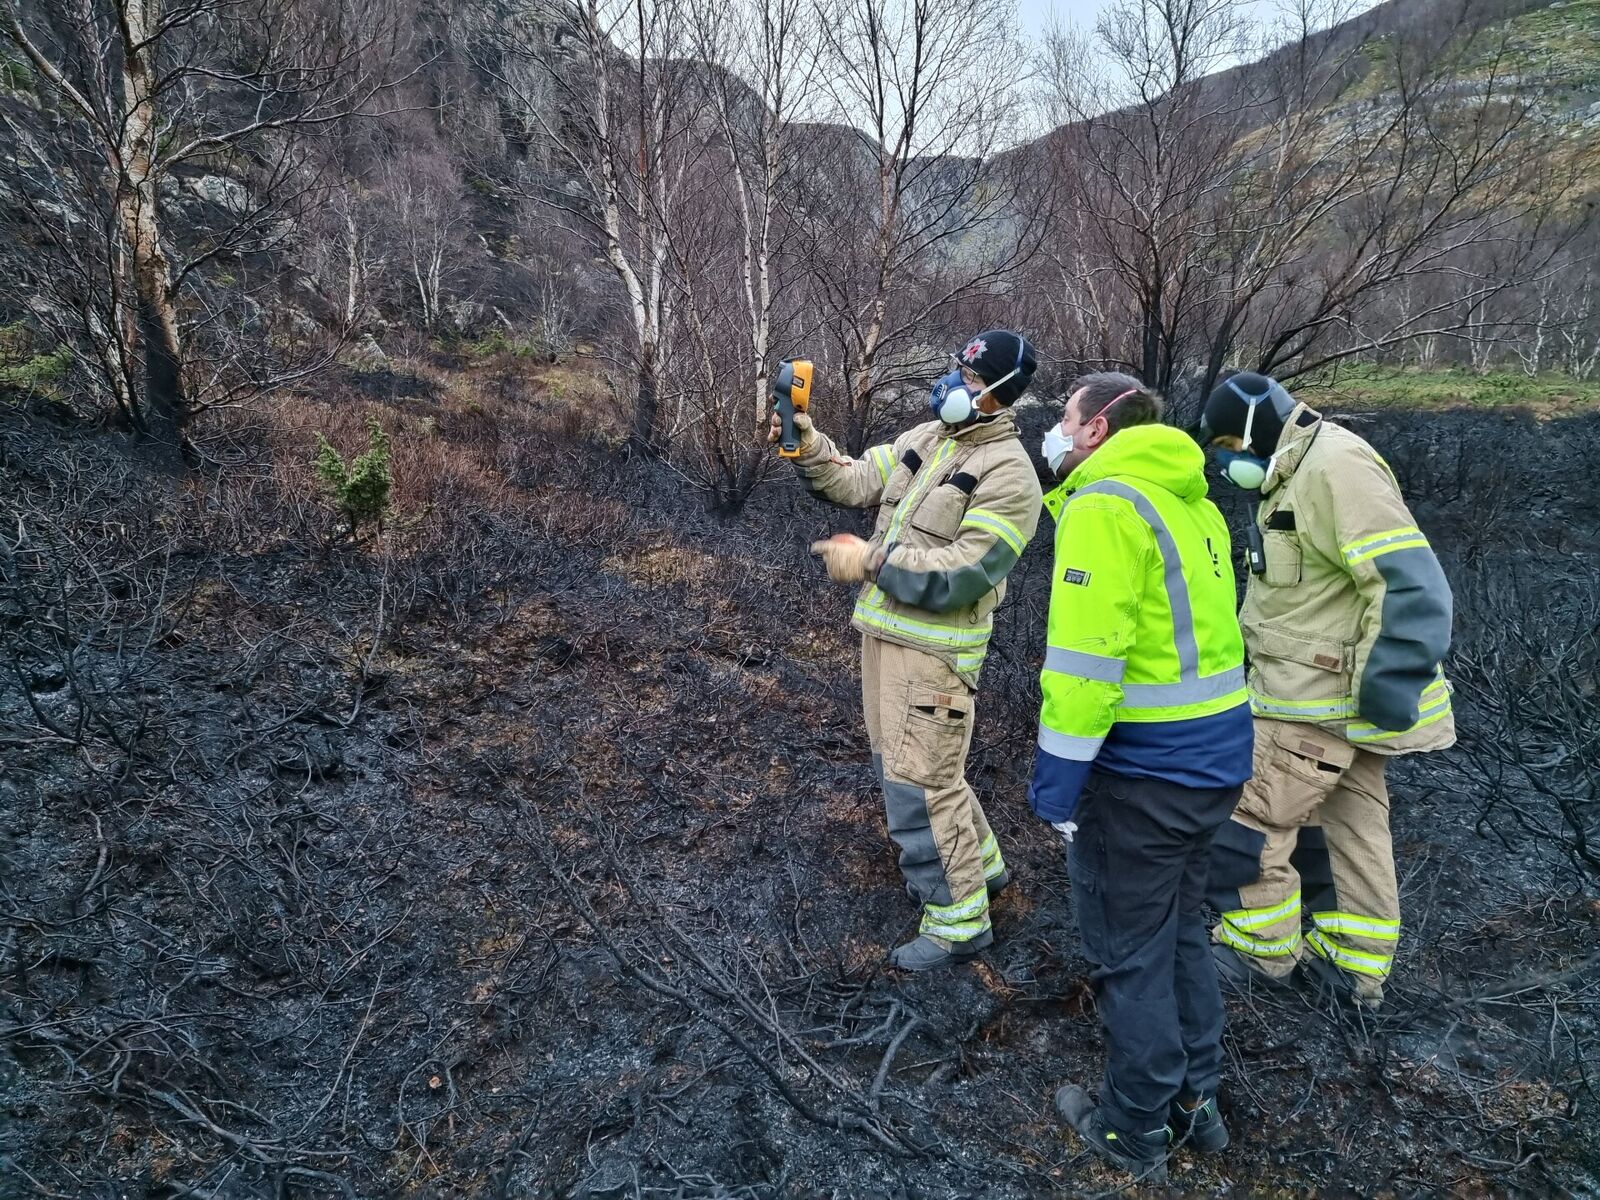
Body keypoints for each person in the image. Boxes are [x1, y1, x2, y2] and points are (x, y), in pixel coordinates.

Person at [1031, 373, 1253, 1182]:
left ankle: (1132, 1127)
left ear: (1096, 430)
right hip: (1215, 762)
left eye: (1063, 417)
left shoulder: (1104, 507)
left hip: (1146, 776)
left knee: (1131, 954)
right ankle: (1200, 1099)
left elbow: (1087, 666)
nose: (1053, 430)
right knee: (1182, 931)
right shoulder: (1189, 500)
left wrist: (1056, 787)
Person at [771, 331, 1043, 971]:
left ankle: (957, 923)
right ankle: (986, 872)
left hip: (936, 656)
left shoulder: (1011, 478)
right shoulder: (926, 440)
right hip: (886, 639)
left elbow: (963, 572)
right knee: (917, 768)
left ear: (1001, 396)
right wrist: (806, 441)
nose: (954, 385)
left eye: (972, 381)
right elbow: (855, 480)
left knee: (917, 784)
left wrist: (869, 560)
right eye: (957, 369)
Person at [1197, 372, 1454, 1010]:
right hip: (1319, 697)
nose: (1229, 460)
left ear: (1260, 426)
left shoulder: (1336, 467)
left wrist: (1380, 694)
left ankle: (1261, 951)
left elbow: (1407, 586)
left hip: (1320, 702)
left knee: (1248, 819)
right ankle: (1354, 965)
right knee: (1351, 829)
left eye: (1231, 443)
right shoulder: (1296, 470)